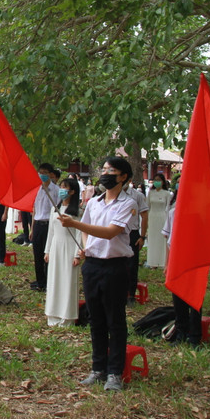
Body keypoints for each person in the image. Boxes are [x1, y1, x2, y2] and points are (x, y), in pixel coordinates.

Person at [59, 157, 136, 392]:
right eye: (103, 170)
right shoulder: (94, 202)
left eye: (111, 170)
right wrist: (86, 245)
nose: (105, 174)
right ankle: (98, 368)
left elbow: (111, 232)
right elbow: (88, 229)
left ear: (123, 176)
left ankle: (115, 373)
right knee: (96, 319)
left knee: (115, 319)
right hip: (92, 265)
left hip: (115, 267)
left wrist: (76, 225)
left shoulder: (128, 204)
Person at [161, 190, 202, 346]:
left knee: (195, 299)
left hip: (195, 259)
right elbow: (168, 240)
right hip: (177, 260)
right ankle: (181, 332)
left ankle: (195, 335)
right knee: (178, 297)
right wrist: (167, 263)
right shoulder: (173, 213)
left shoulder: (200, 213)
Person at [44, 177, 81, 325]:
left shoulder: (78, 211)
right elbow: (50, 232)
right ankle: (53, 314)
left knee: (68, 281)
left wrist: (77, 254)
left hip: (70, 247)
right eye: (61, 187)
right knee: (54, 280)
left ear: (72, 191)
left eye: (65, 187)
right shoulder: (55, 208)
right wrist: (47, 251)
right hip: (56, 246)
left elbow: (80, 234)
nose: (61, 190)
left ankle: (67, 316)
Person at [30, 162, 60, 292]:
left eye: (45, 173)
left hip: (50, 225)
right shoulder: (36, 189)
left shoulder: (56, 190)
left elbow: (58, 209)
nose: (42, 175)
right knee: (37, 254)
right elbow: (34, 210)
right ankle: (40, 282)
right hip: (38, 224)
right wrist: (32, 228)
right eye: (40, 173)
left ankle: (49, 282)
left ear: (51, 174)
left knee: (48, 254)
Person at [123, 178, 149, 304]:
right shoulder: (112, 193)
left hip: (132, 233)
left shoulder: (137, 195)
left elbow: (144, 215)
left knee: (132, 265)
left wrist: (142, 236)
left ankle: (130, 295)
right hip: (117, 232)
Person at [144, 174, 171, 270]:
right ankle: (152, 261)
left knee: (161, 240)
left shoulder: (167, 193)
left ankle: (162, 261)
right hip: (152, 217)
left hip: (162, 217)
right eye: (155, 180)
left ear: (163, 182)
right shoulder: (151, 193)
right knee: (152, 239)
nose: (156, 182)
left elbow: (168, 208)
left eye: (159, 180)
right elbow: (147, 206)